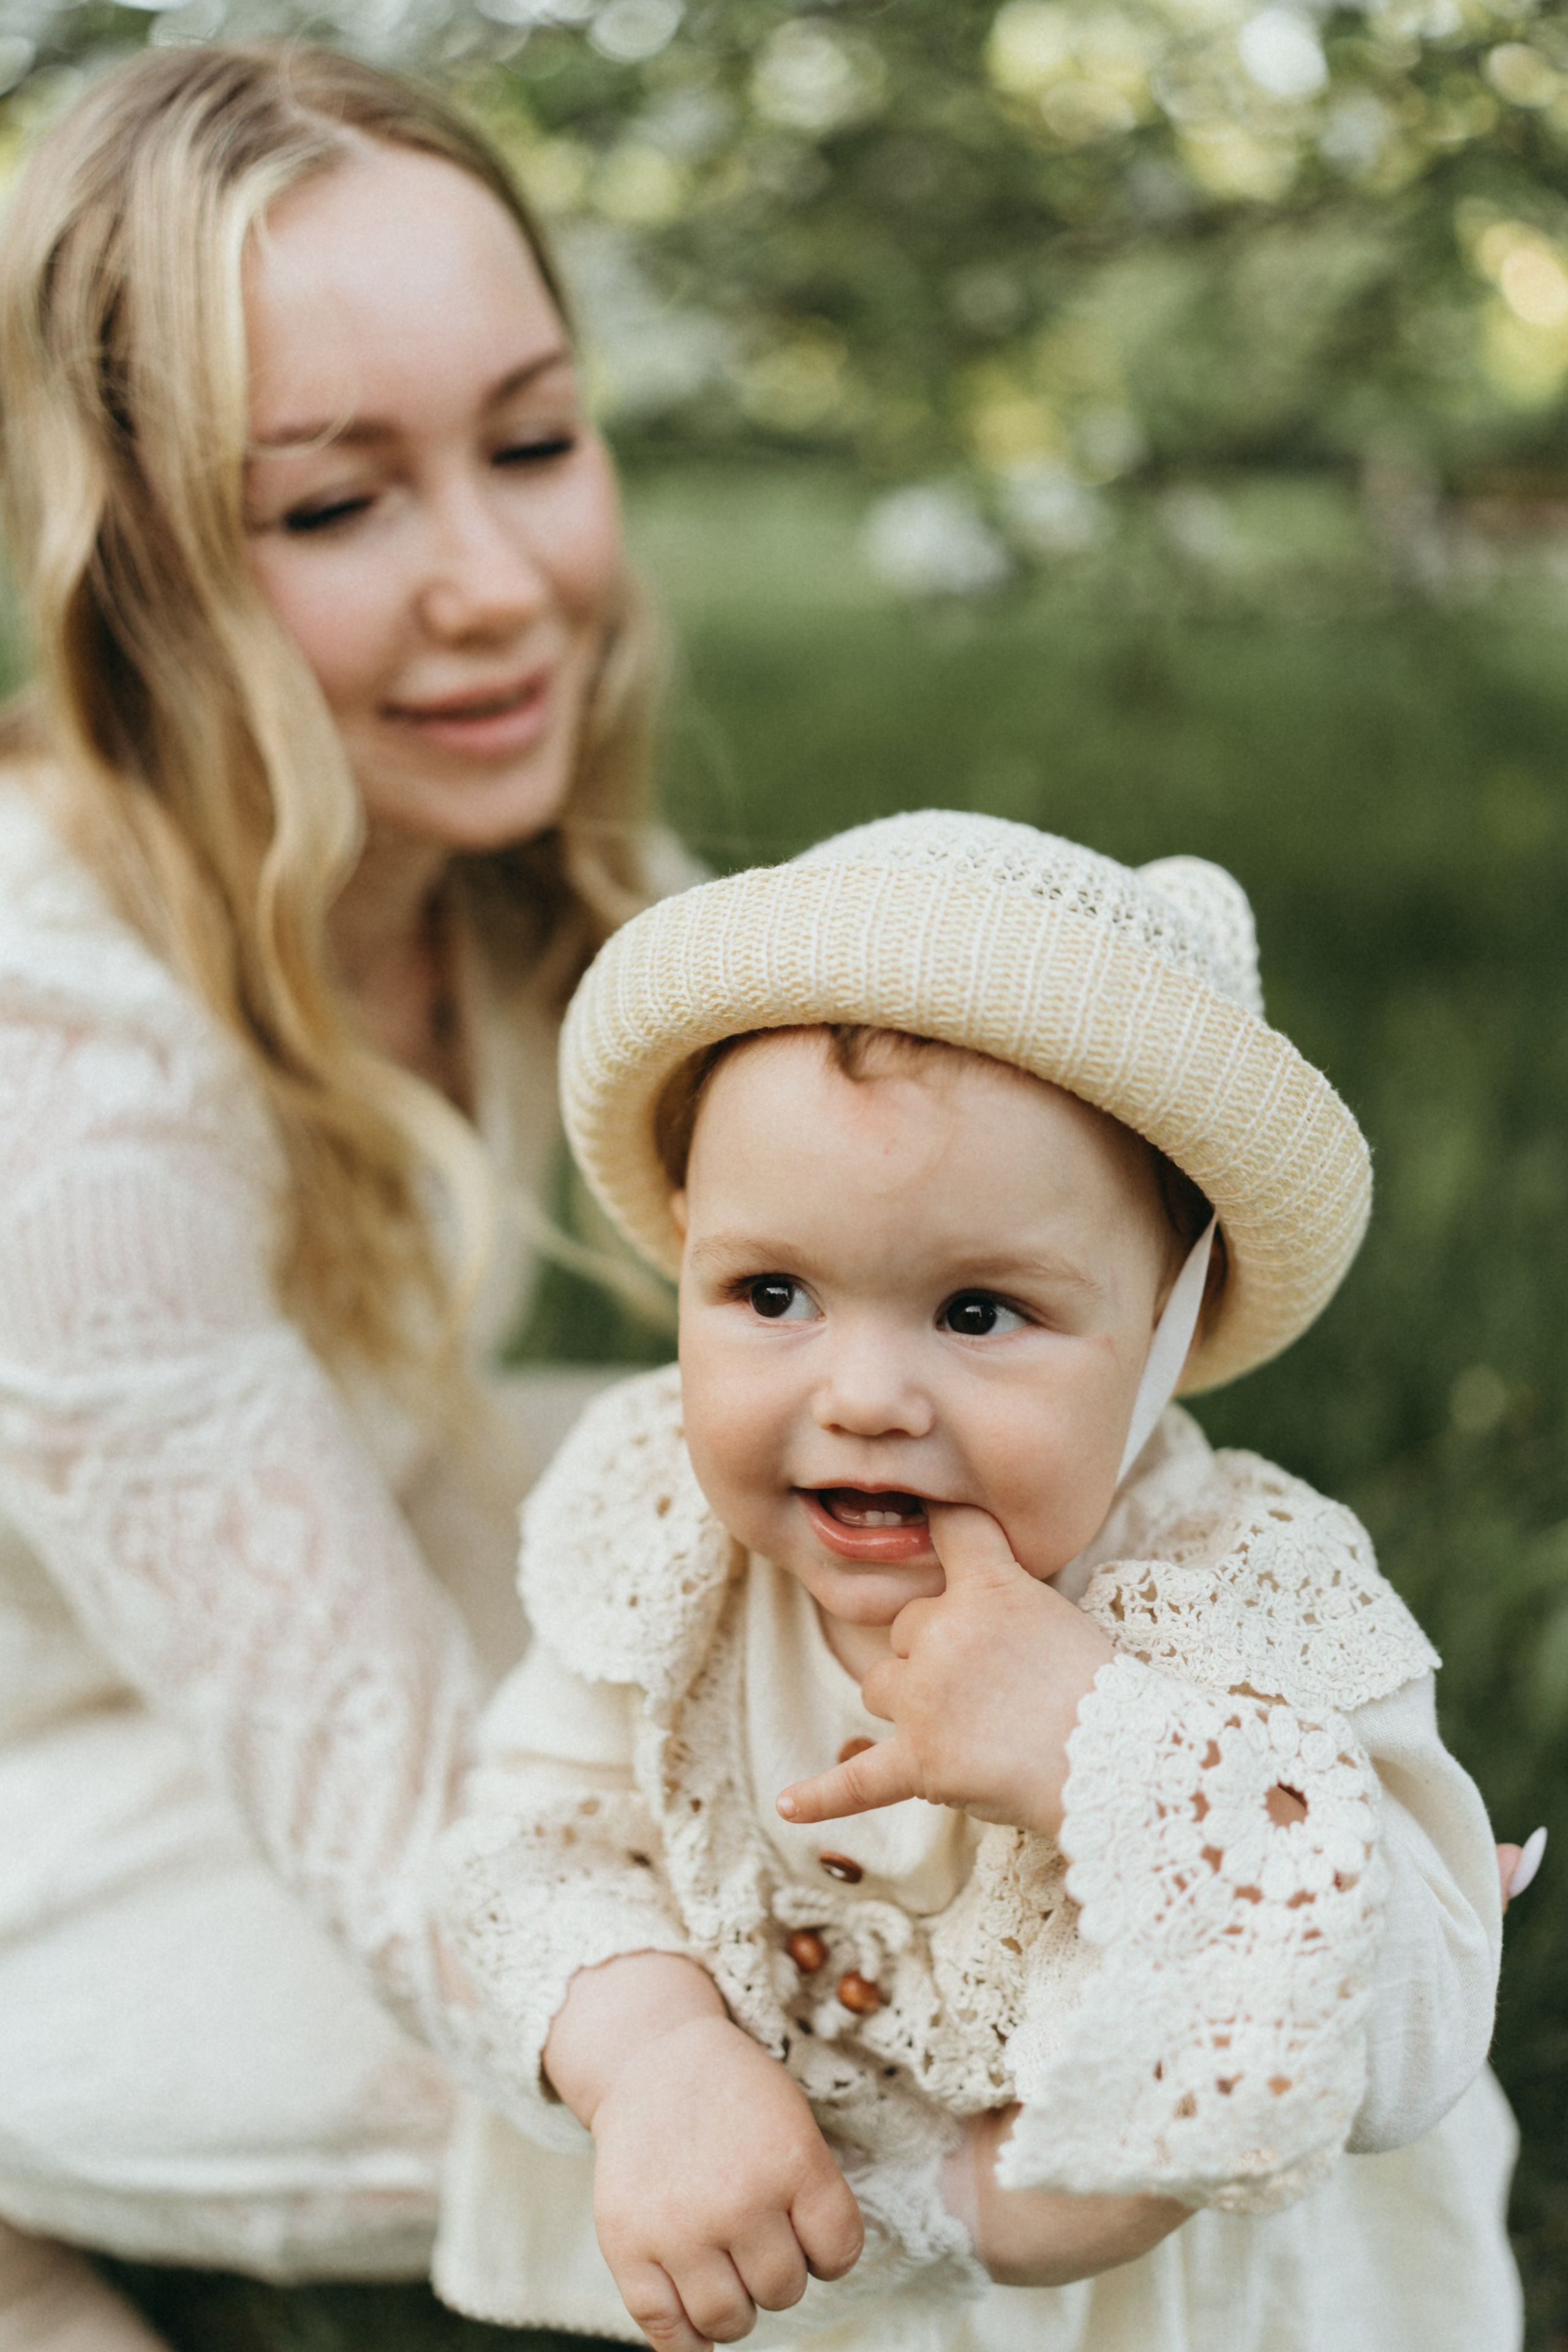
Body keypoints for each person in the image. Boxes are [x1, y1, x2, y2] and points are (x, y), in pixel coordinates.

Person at [431, 812, 1523, 2352]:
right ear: (682, 1254)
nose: (864, 1391)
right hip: (777, 2221)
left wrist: (1106, 1737)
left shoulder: (1231, 1600)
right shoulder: (660, 1520)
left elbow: (1404, 2043)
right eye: (770, 1292)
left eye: (977, 1311)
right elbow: (525, 1836)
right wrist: (654, 2053)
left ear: (1166, 1327)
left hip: (1151, 2301)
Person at [0, 41, 677, 2350]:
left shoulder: (503, 862)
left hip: (308, 1530)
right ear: (138, 557)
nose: (497, 588)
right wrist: (690, 2054)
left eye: (530, 442)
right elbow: (403, 1833)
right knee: (757, 2067)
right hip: (34, 1758)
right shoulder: (63, 1086)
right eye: (332, 508)